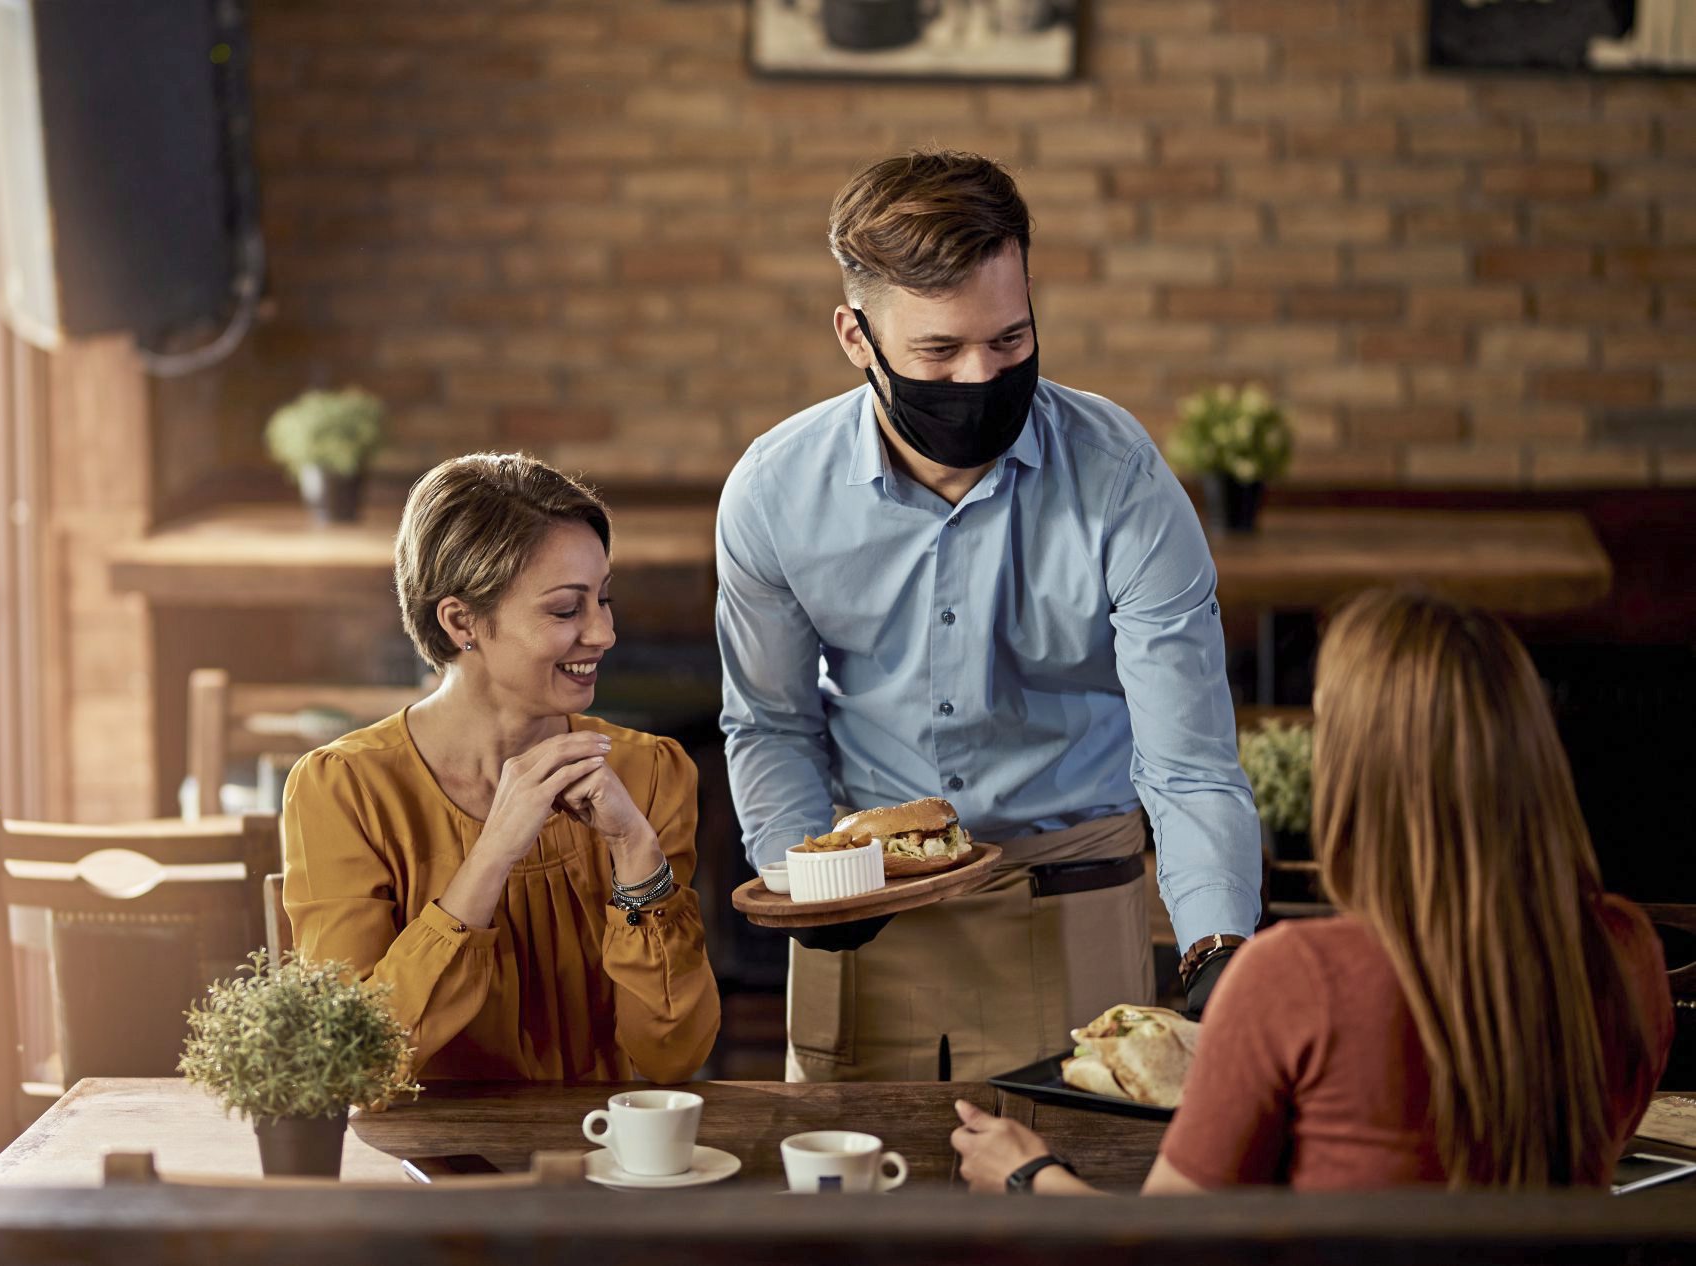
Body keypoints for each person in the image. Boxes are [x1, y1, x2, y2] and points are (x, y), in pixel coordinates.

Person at [716, 149, 1262, 1082]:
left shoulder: (1123, 478)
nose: (979, 375)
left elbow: (1189, 760)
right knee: (851, 1211)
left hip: (1074, 896)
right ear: (856, 337)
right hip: (866, 904)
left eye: (1009, 341)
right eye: (939, 350)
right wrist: (804, 885)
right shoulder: (773, 492)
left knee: (1081, 1206)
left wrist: (1219, 947)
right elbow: (770, 723)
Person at [951, 588, 1674, 1192]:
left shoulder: (1297, 977)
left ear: (1363, 771)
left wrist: (1027, 1172)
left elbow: (1166, 1245)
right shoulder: (1626, 951)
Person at [282, 453, 721, 1082]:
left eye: (604, 600)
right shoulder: (345, 790)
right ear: (462, 621)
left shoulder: (649, 773)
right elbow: (352, 1066)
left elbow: (673, 1053)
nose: (603, 634)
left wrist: (634, 849)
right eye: (567, 611)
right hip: (426, 1165)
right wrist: (492, 856)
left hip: (610, 1158)